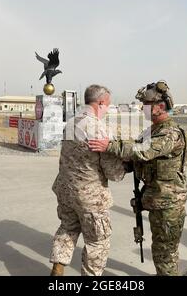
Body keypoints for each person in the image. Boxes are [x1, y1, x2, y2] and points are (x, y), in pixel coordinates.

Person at [89, 80, 187, 276]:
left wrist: (108, 145)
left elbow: (142, 151)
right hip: (156, 199)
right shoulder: (152, 130)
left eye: (146, 106)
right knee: (159, 249)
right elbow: (136, 158)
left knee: (165, 253)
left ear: (160, 107)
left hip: (168, 204)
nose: (142, 109)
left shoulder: (170, 133)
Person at [50, 85, 127, 276]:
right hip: (90, 197)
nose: (108, 109)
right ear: (101, 102)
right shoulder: (99, 128)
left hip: (66, 191)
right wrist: (126, 165)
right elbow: (113, 173)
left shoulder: (71, 122)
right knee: (97, 241)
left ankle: (57, 269)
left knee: (68, 228)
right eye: (108, 105)